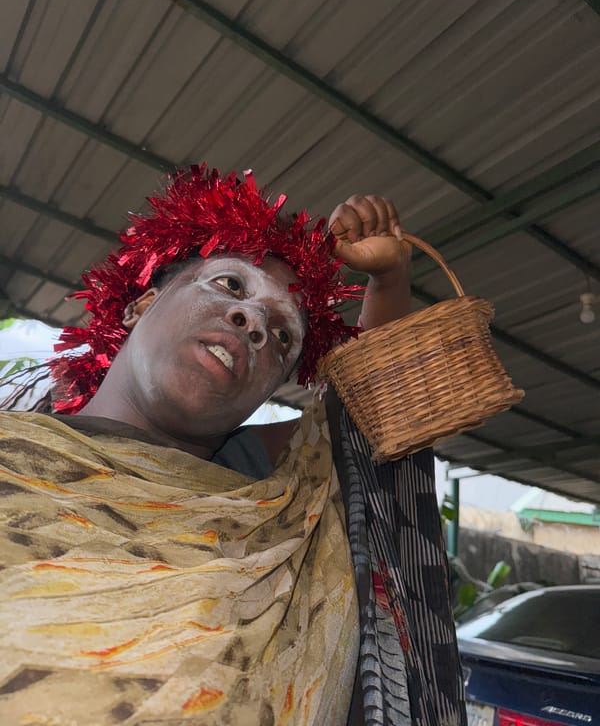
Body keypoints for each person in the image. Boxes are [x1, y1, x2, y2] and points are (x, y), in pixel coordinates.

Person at [0, 165, 466, 725]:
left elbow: (371, 423)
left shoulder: (276, 492)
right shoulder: (16, 441)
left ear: (270, 388)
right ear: (140, 306)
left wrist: (390, 280)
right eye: (229, 285)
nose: (252, 322)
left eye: (282, 335)